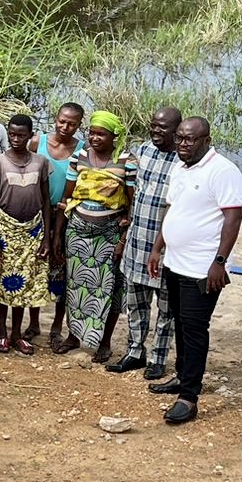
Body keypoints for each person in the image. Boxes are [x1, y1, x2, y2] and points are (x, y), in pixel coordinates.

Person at [147, 117, 242, 425]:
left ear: (206, 140)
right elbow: (172, 208)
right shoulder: (180, 167)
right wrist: (157, 247)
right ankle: (181, 376)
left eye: (190, 140)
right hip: (174, 262)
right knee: (178, 321)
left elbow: (233, 219)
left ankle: (189, 398)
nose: (183, 145)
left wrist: (219, 262)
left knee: (194, 328)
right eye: (179, 139)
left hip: (202, 268)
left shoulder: (224, 171)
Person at [106, 105, 184, 380]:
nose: (155, 130)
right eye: (153, 125)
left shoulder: (183, 161)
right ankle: (135, 352)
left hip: (166, 250)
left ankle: (158, 359)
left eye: (162, 127)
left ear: (177, 131)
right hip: (137, 242)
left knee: (167, 309)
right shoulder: (141, 152)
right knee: (136, 304)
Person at [57, 111, 132, 361]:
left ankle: (105, 342)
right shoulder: (79, 156)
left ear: (114, 136)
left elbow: (130, 204)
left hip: (110, 234)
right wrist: (58, 235)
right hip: (78, 232)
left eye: (102, 134)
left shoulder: (125, 161)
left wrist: (122, 239)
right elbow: (67, 198)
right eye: (92, 133)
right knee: (75, 287)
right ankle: (74, 336)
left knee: (108, 288)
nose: (95, 138)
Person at [0, 113, 53, 355]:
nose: (16, 139)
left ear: (30, 135)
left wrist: (46, 236)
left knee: (24, 283)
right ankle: (1, 333)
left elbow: (46, 201)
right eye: (12, 134)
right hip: (6, 229)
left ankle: (17, 333)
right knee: (3, 281)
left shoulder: (40, 162)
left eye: (21, 135)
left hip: (33, 229)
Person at [35, 101, 86, 348]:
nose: (65, 127)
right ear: (55, 118)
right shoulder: (38, 142)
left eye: (72, 124)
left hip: (67, 217)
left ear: (79, 125)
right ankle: (33, 322)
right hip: (37, 214)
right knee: (35, 269)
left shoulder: (83, 150)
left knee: (61, 272)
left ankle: (56, 324)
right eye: (62, 121)